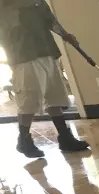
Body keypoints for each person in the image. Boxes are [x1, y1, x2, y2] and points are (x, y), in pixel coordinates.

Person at [0, 0, 89, 158]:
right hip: (24, 56)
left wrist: (65, 35)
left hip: (48, 52)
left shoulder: (38, 1)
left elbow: (50, 20)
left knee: (54, 97)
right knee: (29, 100)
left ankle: (65, 137)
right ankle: (24, 141)